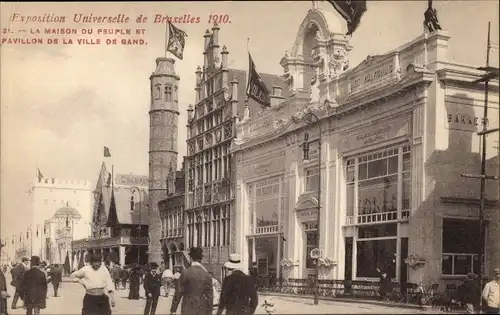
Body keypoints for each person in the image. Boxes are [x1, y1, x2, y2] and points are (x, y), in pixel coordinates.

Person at [170, 247, 213, 315]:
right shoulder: (207, 275)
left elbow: (179, 292)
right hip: (202, 309)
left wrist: (173, 310)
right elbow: (210, 296)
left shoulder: (186, 272)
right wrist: (209, 312)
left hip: (188, 308)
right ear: (200, 260)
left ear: (191, 258)